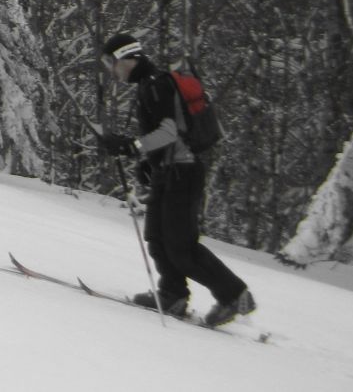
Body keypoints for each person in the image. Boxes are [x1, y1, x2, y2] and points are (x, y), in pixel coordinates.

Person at [97, 32, 256, 326]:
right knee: (157, 239)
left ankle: (235, 295)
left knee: (181, 247)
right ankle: (172, 295)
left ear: (126, 57)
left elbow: (169, 132)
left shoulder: (156, 85)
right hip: (169, 172)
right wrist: (149, 162)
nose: (111, 71)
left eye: (110, 62)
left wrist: (133, 146)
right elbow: (166, 134)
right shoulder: (148, 85)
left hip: (183, 173)